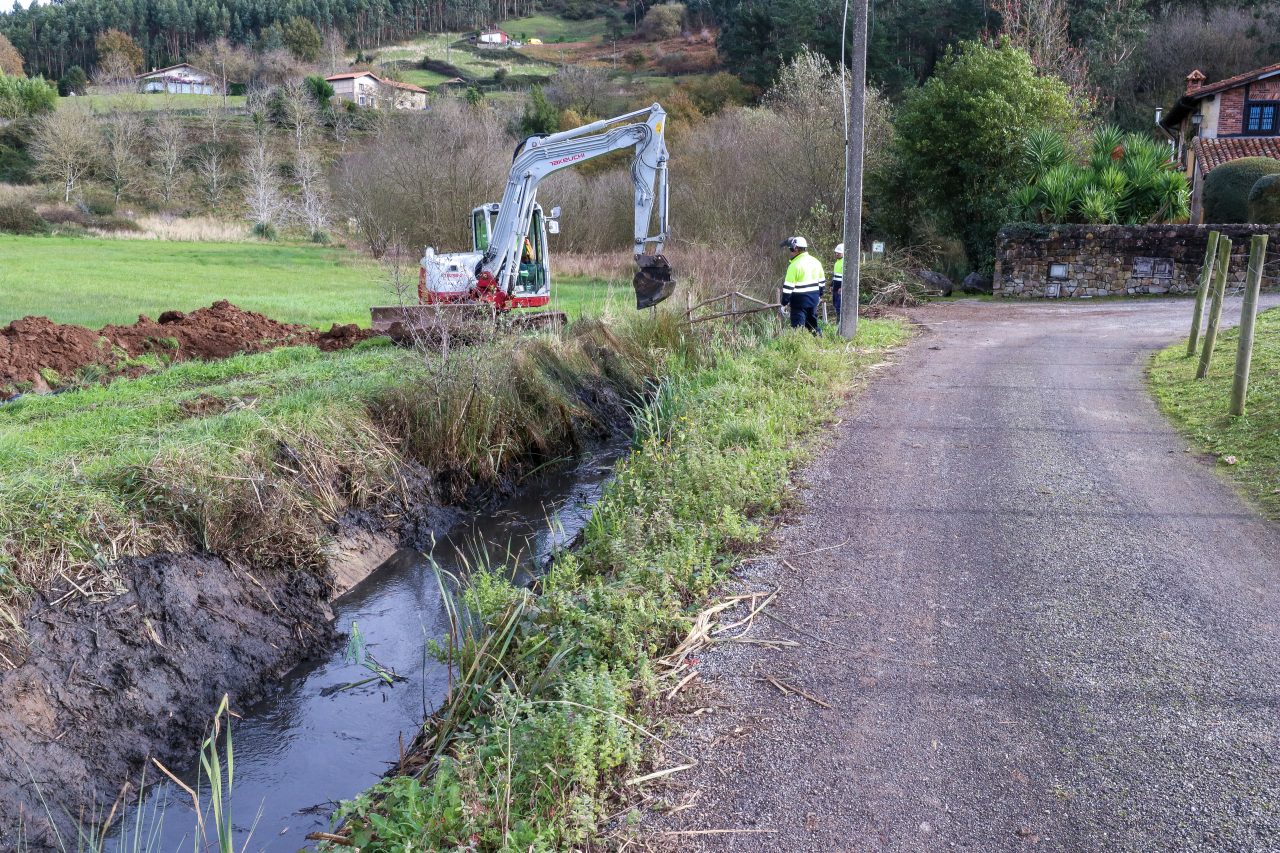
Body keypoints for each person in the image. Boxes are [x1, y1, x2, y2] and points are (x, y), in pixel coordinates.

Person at [780, 236, 825, 334]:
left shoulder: (794, 265)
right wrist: (820, 295)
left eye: (790, 249)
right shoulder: (816, 262)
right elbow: (822, 282)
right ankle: (819, 343)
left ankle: (799, 346)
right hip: (813, 300)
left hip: (798, 302)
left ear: (795, 248)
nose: (790, 252)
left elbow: (788, 288)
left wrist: (784, 303)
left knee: (798, 328)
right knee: (813, 325)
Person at [831, 242, 844, 321]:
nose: (836, 254)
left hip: (840, 289)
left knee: (839, 306)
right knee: (835, 305)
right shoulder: (837, 263)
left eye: (839, 253)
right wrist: (831, 285)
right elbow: (835, 276)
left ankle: (840, 323)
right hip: (835, 288)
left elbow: (846, 278)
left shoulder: (845, 263)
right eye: (836, 252)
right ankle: (838, 322)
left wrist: (842, 287)